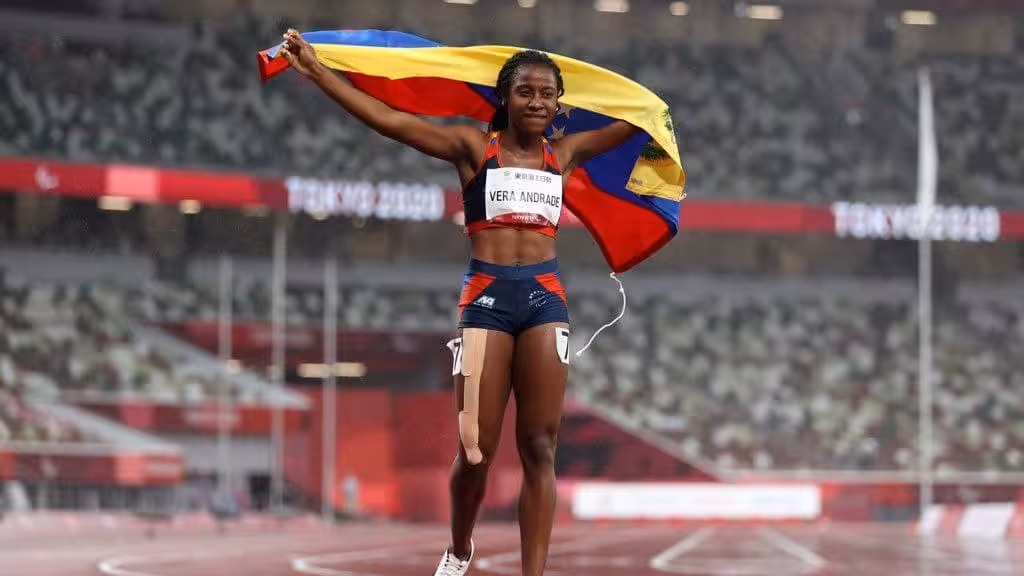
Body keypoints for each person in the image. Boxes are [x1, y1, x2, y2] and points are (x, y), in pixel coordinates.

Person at [278, 29, 641, 576]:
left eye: (548, 93)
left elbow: (635, 119)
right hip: (486, 300)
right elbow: (391, 122)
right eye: (526, 92)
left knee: (541, 446)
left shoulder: (564, 154)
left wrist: (655, 113)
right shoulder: (474, 148)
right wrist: (319, 72)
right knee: (475, 449)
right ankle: (460, 547)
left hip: (546, 298)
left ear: (560, 103)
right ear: (504, 97)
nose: (538, 102)